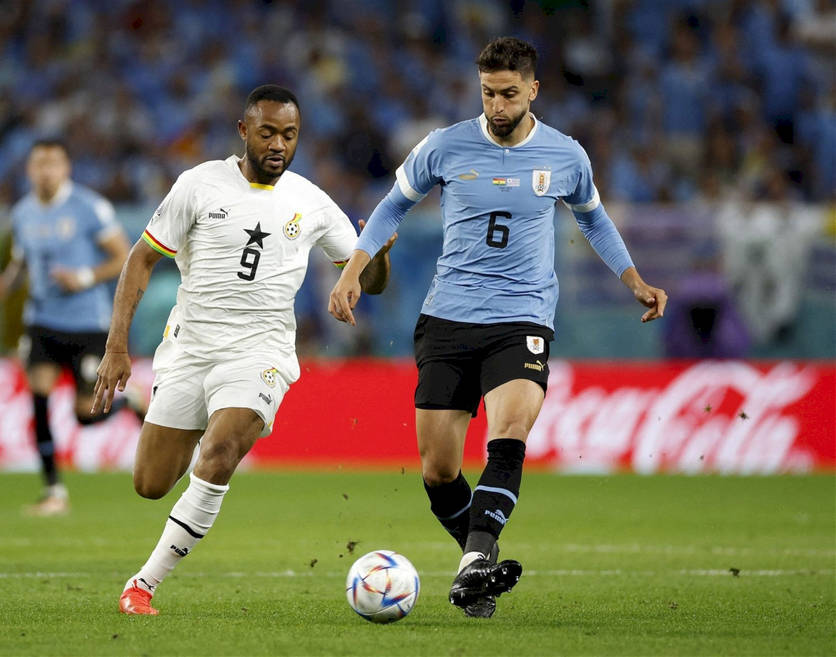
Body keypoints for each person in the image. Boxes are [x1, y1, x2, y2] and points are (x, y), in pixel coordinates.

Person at [329, 37, 667, 618]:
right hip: (448, 317)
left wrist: (633, 279)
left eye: (509, 94)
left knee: (508, 434)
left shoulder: (566, 156)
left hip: (522, 317)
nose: (497, 106)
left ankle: (472, 562)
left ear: (533, 89)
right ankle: (478, 566)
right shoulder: (444, 145)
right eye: (488, 93)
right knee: (439, 471)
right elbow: (391, 206)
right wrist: (351, 272)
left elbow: (595, 221)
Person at [91, 84, 394, 616]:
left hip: (261, 351)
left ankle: (143, 584)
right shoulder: (199, 184)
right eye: (268, 132)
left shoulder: (311, 201)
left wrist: (380, 254)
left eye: (289, 135)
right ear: (243, 131)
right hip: (190, 348)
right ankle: (170, 428)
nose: (279, 144)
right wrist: (117, 346)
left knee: (221, 451)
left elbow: (370, 281)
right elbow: (140, 259)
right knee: (150, 483)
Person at [0, 138, 130, 516]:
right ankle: (53, 491)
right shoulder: (22, 213)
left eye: (53, 164)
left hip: (87, 322)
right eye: (39, 164)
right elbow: (21, 262)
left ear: (66, 169)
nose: (46, 172)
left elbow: (123, 256)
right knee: (39, 398)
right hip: (42, 320)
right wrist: (4, 284)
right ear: (29, 170)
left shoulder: (89, 207)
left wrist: (84, 277)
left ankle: (130, 401)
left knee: (85, 415)